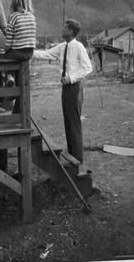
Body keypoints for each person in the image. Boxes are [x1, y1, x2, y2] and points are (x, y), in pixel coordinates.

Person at [33, 19, 92, 164]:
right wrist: (29, 52)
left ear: (71, 31)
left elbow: (87, 68)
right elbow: (47, 54)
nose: (62, 29)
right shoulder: (62, 46)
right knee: (68, 121)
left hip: (74, 87)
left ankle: (78, 158)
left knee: (74, 122)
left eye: (65, 28)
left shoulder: (78, 47)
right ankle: (72, 155)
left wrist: (71, 78)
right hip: (66, 88)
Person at [3, 0, 37, 113]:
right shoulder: (32, 17)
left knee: (3, 59)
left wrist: (6, 49)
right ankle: (17, 111)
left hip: (17, 52)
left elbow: (9, 38)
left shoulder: (13, 16)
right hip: (29, 53)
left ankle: (9, 77)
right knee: (22, 82)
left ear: (14, 2)